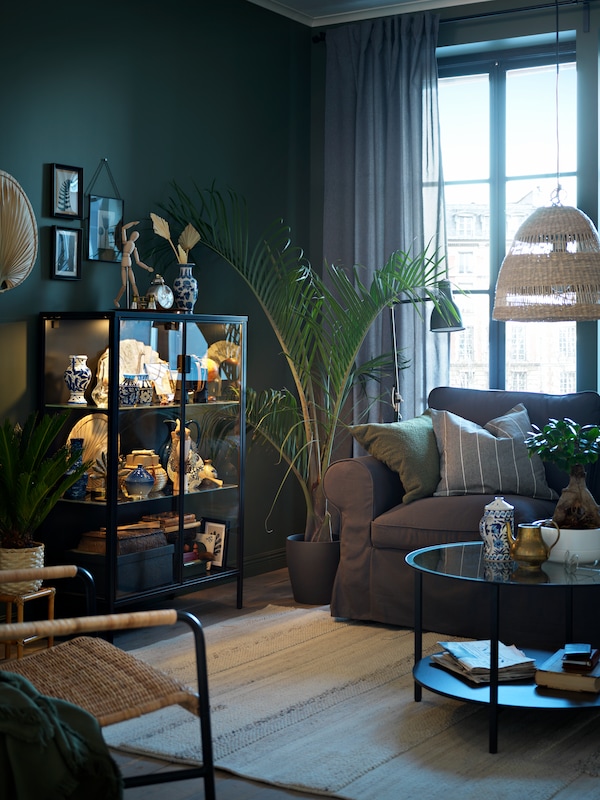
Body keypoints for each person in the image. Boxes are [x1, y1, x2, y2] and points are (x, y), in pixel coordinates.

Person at [114, 221, 153, 307]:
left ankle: (138, 303)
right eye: (133, 235)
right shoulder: (126, 242)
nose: (134, 237)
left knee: (133, 284)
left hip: (129, 264)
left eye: (136, 236)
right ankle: (116, 300)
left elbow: (138, 261)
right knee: (124, 285)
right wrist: (133, 223)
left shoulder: (134, 248)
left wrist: (147, 268)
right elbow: (123, 228)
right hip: (124, 263)